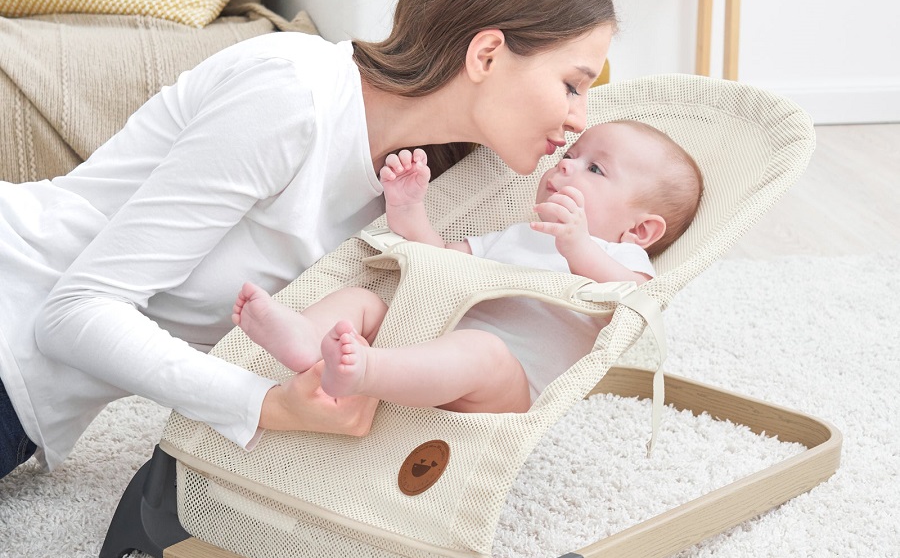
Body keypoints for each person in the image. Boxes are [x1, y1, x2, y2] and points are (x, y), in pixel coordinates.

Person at [0, 0, 617, 479]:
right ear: (486, 53)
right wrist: (264, 405)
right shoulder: (293, 95)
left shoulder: (426, 191)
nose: (578, 120)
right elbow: (74, 312)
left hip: (27, 409)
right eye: (571, 85)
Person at [232, 121, 703, 414]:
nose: (564, 169)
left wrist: (578, 246)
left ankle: (364, 373)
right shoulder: (519, 234)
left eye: (594, 170)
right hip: (434, 336)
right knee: (364, 301)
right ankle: (301, 338)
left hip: (509, 386)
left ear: (641, 231)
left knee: (483, 351)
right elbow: (439, 259)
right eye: (568, 157)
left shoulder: (624, 260)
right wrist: (409, 208)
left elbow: (637, 302)